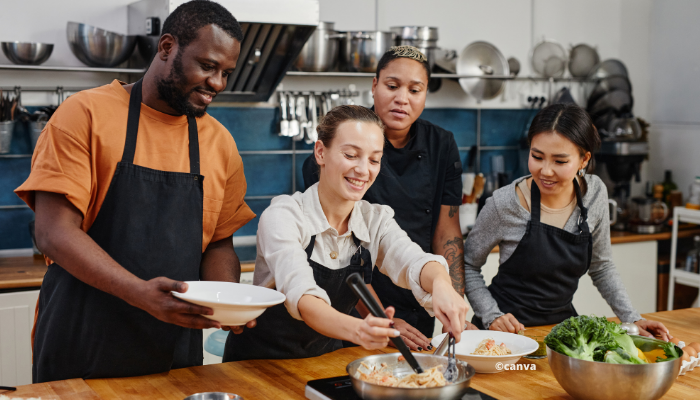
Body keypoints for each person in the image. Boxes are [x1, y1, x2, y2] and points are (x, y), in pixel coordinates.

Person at [14, 0, 257, 382]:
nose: (218, 84)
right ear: (166, 47)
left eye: (226, 72)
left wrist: (227, 299)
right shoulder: (84, 114)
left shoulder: (219, 142)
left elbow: (218, 242)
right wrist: (140, 293)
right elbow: (53, 232)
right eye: (207, 66)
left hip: (175, 348)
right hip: (82, 338)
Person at [224, 105, 468, 361]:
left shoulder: (375, 220)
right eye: (351, 155)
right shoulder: (284, 215)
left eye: (374, 159)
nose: (364, 170)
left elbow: (413, 261)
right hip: (257, 365)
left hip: (321, 362)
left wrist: (442, 285)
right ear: (321, 152)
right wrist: (360, 330)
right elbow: (304, 297)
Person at [302, 46, 474, 350]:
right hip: (353, 312)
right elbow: (342, 258)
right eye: (392, 86)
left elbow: (443, 235)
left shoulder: (441, 144)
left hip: (421, 300)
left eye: (414, 89)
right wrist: (383, 321)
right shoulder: (330, 162)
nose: (402, 98)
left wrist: (452, 301)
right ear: (374, 85)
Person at [463, 103, 671, 341]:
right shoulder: (505, 204)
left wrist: (632, 319)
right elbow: (467, 265)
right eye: (537, 156)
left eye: (560, 161)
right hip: (503, 336)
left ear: (584, 160)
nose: (545, 171)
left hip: (561, 335)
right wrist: (492, 315)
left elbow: (601, 266)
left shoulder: (595, 194)